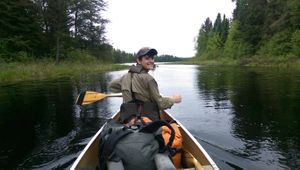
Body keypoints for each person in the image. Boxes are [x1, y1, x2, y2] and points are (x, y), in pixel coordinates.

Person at [109, 47, 182, 123]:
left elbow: (111, 86)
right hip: (146, 122)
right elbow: (160, 104)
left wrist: (126, 88)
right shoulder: (149, 79)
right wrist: (173, 100)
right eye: (147, 58)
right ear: (139, 61)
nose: (151, 61)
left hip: (128, 120)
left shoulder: (126, 76)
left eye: (152, 58)